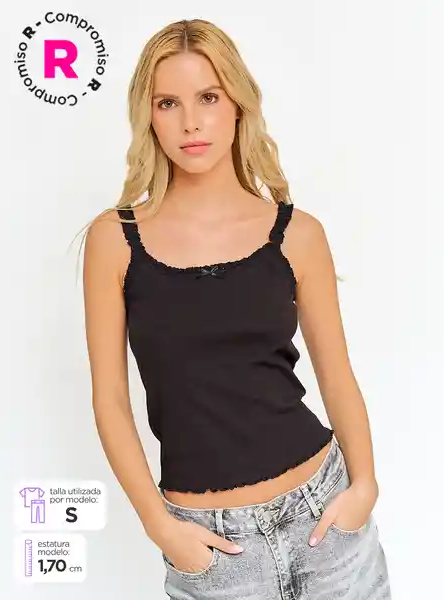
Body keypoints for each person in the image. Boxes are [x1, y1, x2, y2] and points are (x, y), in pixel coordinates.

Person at [81, 18, 392, 599]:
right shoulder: (115, 240)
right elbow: (110, 400)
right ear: (148, 115)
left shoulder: (297, 233)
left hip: (324, 520)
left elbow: (336, 375)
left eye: (208, 97)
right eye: (168, 103)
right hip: (210, 547)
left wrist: (364, 486)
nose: (191, 122)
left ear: (238, 104)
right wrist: (160, 526)